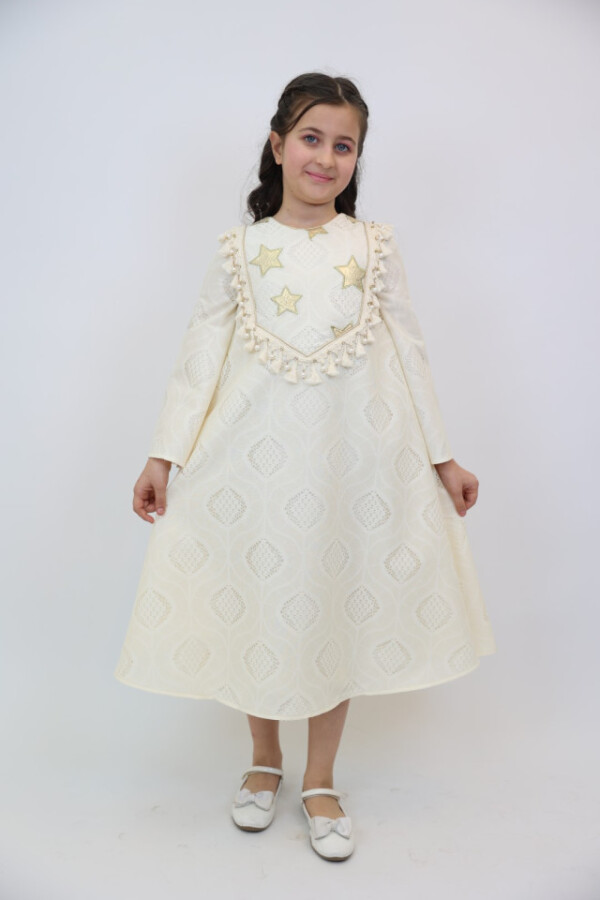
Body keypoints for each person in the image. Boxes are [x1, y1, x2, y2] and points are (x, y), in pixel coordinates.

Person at [114, 71, 496, 862]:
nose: (326, 157)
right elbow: (199, 355)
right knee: (260, 601)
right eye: (312, 138)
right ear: (278, 144)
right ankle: (265, 760)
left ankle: (320, 778)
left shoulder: (373, 245)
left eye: (344, 145)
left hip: (350, 467)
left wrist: (442, 457)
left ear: (357, 158)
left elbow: (411, 352)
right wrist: (163, 454)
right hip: (251, 465)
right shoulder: (242, 249)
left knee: (333, 605)